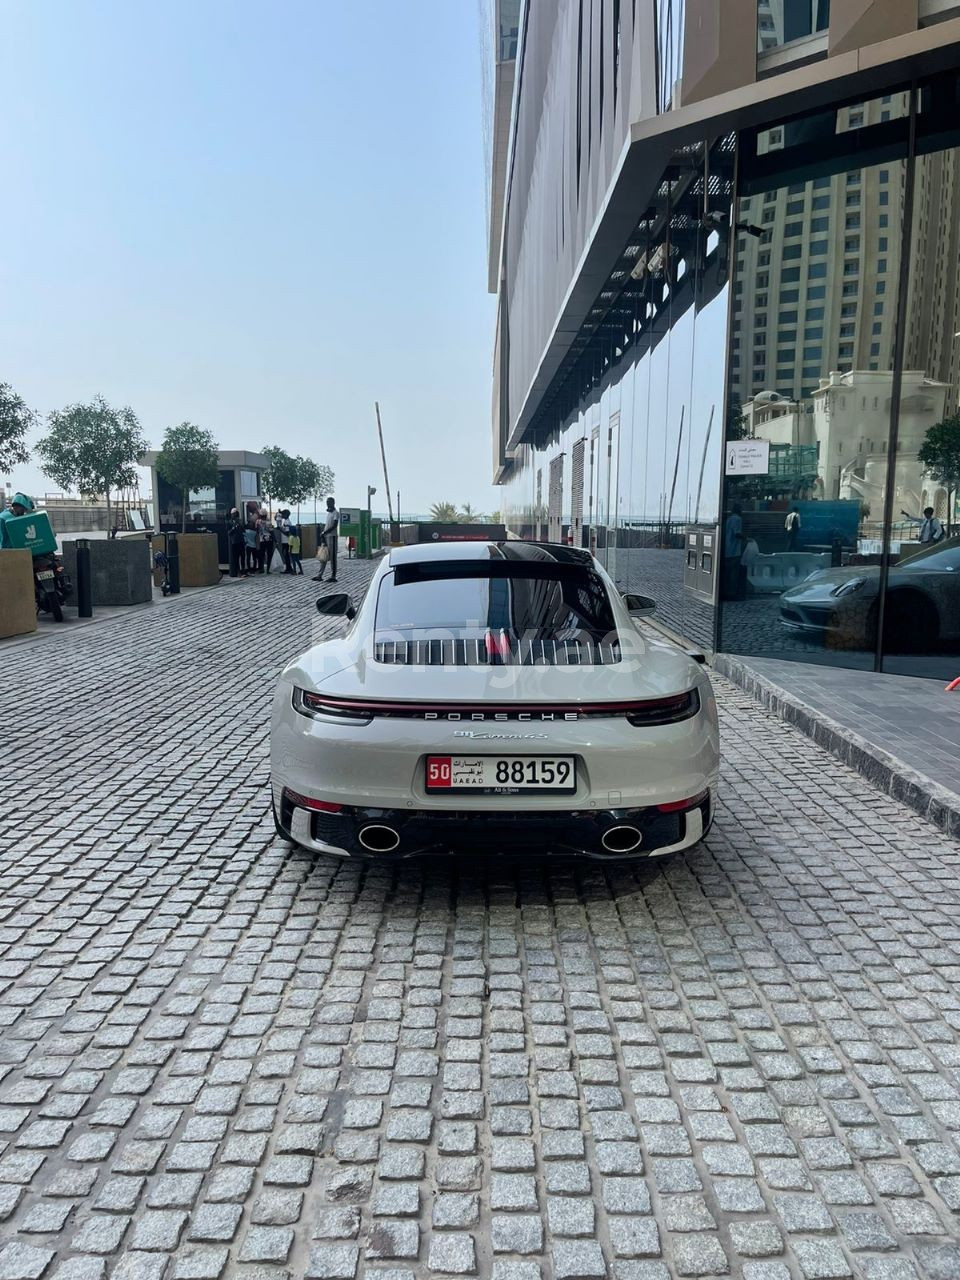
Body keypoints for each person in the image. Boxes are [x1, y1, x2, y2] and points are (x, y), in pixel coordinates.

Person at [314, 496, 340, 583]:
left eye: (329, 502)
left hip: (332, 536)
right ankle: (319, 575)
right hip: (326, 536)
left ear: (333, 503)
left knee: (333, 557)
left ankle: (333, 575)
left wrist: (325, 532)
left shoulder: (336, 513)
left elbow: (334, 525)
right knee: (323, 556)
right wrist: (324, 533)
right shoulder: (329, 513)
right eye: (327, 502)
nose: (328, 504)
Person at [723, 504, 744, 599]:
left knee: (727, 573)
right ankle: (732, 594)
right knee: (733, 574)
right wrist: (747, 538)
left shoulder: (729, 519)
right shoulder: (738, 519)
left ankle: (726, 592)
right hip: (734, 550)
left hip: (727, 549)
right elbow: (737, 534)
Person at [226, 508, 246, 578]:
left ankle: (243, 570)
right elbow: (229, 532)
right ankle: (238, 572)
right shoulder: (229, 522)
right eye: (235, 513)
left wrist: (241, 526)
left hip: (241, 541)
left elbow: (244, 530)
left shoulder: (240, 521)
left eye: (237, 513)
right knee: (236, 558)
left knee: (243, 557)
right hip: (234, 542)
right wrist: (234, 528)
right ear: (232, 514)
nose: (236, 515)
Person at [276, 509, 293, 574]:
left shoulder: (287, 522)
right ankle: (288, 568)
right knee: (286, 554)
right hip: (285, 541)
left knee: (286, 555)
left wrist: (280, 530)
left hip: (286, 541)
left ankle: (288, 568)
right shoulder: (286, 521)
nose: (281, 515)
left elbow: (287, 533)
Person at [256, 507, 273, 573]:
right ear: (266, 515)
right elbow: (271, 531)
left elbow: (257, 530)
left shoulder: (258, 522)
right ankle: (268, 569)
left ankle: (261, 569)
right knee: (269, 555)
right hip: (269, 540)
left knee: (261, 555)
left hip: (261, 540)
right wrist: (275, 540)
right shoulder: (268, 522)